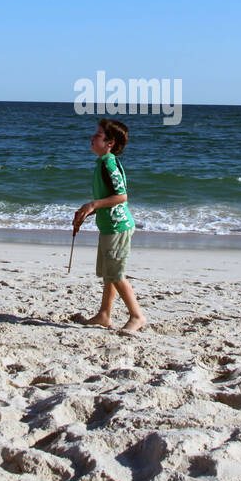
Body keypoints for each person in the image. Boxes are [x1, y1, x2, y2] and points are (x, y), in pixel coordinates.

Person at [73, 118, 145, 333]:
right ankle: (104, 314)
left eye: (98, 135)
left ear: (110, 143)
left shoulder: (109, 164)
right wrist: (87, 211)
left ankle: (137, 316)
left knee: (116, 274)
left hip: (117, 227)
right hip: (108, 226)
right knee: (109, 273)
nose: (92, 138)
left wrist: (93, 204)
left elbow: (121, 196)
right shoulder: (102, 163)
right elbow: (107, 197)